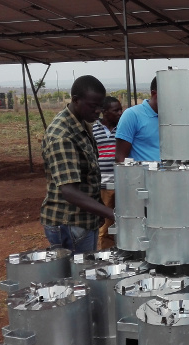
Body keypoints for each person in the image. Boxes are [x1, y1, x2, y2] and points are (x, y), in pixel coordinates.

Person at [40, 75, 115, 254]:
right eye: (93, 106)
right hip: (69, 222)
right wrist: (111, 213)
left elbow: (88, 176)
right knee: (77, 278)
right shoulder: (63, 135)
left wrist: (97, 210)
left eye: (100, 106)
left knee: (82, 275)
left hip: (82, 221)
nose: (98, 111)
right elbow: (70, 192)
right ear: (75, 100)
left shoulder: (82, 124)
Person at [92, 96, 122, 249]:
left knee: (122, 223)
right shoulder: (93, 129)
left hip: (121, 184)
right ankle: (108, 255)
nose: (120, 113)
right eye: (115, 110)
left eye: (120, 109)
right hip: (103, 185)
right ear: (104, 112)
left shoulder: (123, 127)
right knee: (106, 226)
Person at [115, 77, 159, 162]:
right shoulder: (132, 115)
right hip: (142, 174)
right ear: (154, 94)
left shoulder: (175, 118)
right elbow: (120, 158)